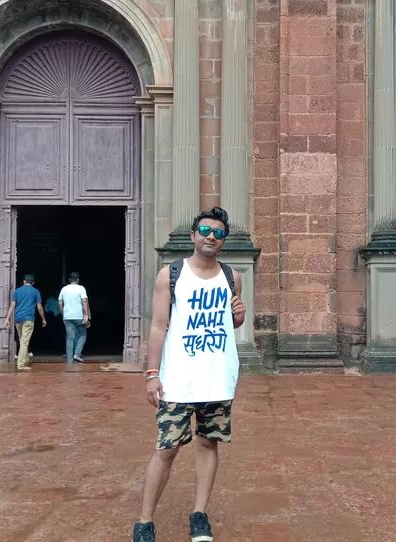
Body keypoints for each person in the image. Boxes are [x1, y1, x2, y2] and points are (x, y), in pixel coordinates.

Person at [132, 207, 246, 542]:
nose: (212, 237)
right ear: (193, 235)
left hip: (217, 379)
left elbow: (231, 323)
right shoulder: (171, 274)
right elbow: (157, 327)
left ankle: (199, 514)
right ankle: (144, 521)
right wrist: (152, 373)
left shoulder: (231, 277)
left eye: (219, 233)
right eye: (206, 231)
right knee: (166, 449)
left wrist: (239, 317)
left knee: (208, 444)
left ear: (223, 241)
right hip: (178, 380)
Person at [4, 274, 47, 371]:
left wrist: (7, 318)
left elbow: (12, 305)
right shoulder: (35, 291)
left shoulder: (17, 291)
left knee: (22, 340)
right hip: (28, 319)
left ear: (24, 281)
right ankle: (21, 365)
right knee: (24, 342)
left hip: (18, 319)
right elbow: (39, 307)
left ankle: (26, 360)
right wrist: (43, 319)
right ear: (33, 283)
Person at [58, 271, 90, 363]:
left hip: (68, 317)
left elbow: (60, 303)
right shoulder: (81, 288)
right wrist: (87, 315)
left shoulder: (64, 289)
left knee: (70, 338)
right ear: (78, 280)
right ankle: (77, 353)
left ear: (69, 280)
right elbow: (84, 301)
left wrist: (63, 315)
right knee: (83, 334)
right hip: (79, 316)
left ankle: (69, 359)